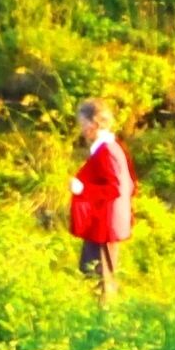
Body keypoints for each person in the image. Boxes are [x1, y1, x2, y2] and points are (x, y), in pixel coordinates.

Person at [64, 98, 133, 296]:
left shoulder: (107, 151)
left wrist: (82, 189)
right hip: (101, 223)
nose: (82, 129)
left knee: (100, 279)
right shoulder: (108, 149)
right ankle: (95, 320)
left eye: (83, 124)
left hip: (105, 225)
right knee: (91, 273)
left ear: (94, 124)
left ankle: (103, 322)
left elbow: (116, 188)